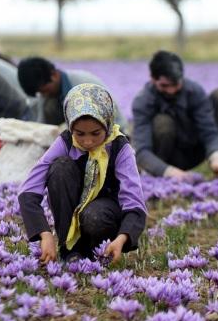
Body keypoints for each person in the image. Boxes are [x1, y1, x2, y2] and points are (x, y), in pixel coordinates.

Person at [18, 83, 146, 264]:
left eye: (96, 133)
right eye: (80, 133)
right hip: (73, 209)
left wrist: (122, 239)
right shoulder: (66, 141)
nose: (87, 141)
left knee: (94, 215)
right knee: (60, 167)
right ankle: (70, 250)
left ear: (107, 124)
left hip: (106, 214)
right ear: (70, 127)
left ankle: (98, 252)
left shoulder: (119, 147)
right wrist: (44, 234)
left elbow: (134, 201)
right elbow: (30, 187)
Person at [131, 50, 218, 181]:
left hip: (194, 149)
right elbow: (141, 151)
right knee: (162, 122)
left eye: (175, 84)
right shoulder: (143, 101)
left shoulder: (194, 91)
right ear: (153, 79)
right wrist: (167, 171)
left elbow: (210, 132)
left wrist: (216, 158)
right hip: (164, 158)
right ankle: (157, 178)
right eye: (165, 85)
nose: (171, 90)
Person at [17, 56, 128, 131]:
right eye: (40, 93)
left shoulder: (83, 86)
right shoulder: (47, 94)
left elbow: (91, 122)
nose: (44, 95)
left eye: (45, 90)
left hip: (111, 130)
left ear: (54, 74)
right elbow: (41, 125)